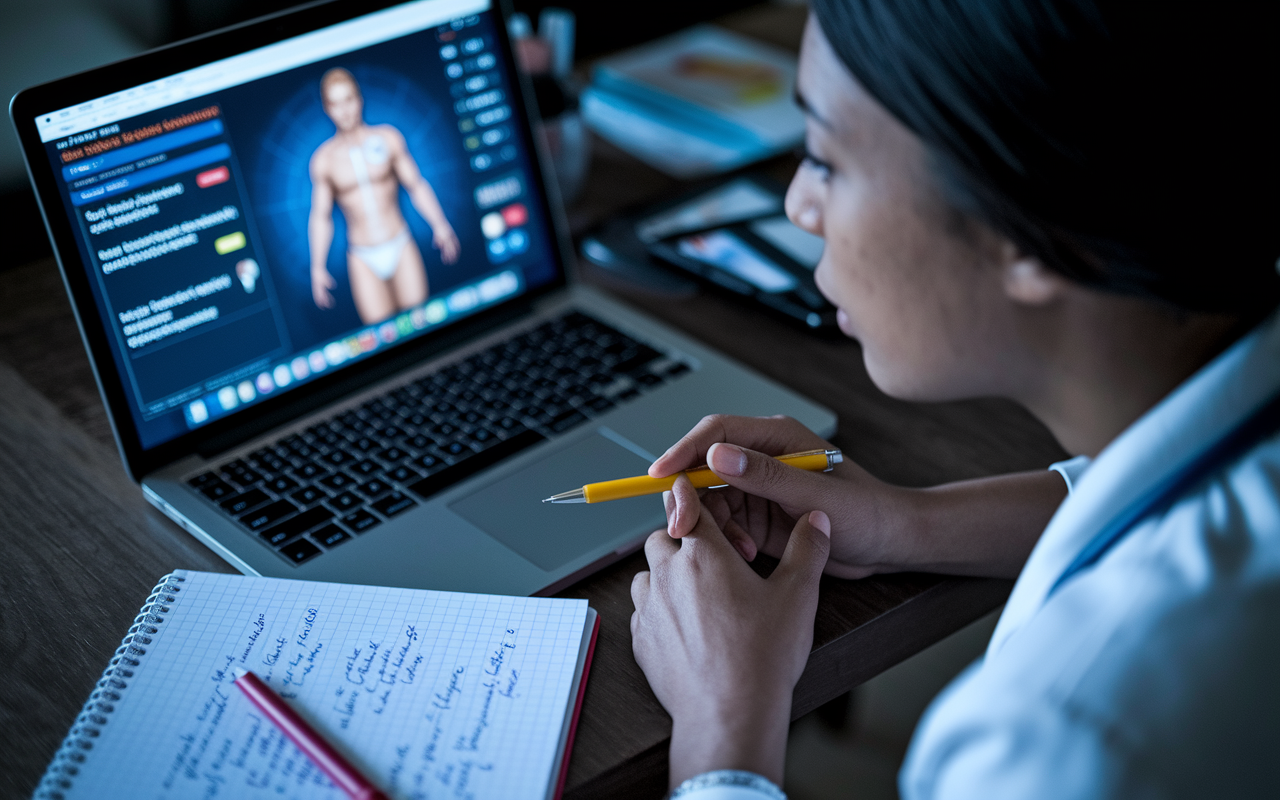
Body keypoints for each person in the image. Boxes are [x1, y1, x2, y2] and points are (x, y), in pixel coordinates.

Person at [628, 1, 1277, 798]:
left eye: (826, 158)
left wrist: (724, 730)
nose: (798, 205)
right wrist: (912, 523)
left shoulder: (1065, 740)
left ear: (1034, 227)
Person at [308, 67, 461, 325]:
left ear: (359, 99)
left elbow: (416, 185)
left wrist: (440, 224)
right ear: (327, 108)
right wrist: (317, 267)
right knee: (381, 335)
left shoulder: (388, 138)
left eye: (348, 100)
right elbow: (321, 217)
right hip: (362, 255)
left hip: (400, 244)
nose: (344, 110)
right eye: (336, 103)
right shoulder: (323, 160)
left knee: (421, 325)